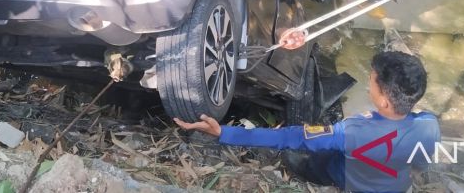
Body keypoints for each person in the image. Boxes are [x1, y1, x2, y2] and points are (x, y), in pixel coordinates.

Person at [175, 51, 440, 192]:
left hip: (341, 177)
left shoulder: (349, 131)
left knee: (298, 156)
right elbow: (420, 161)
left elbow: (289, 136)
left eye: (371, 80)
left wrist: (223, 132)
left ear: (383, 101)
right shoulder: (429, 125)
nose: (368, 82)